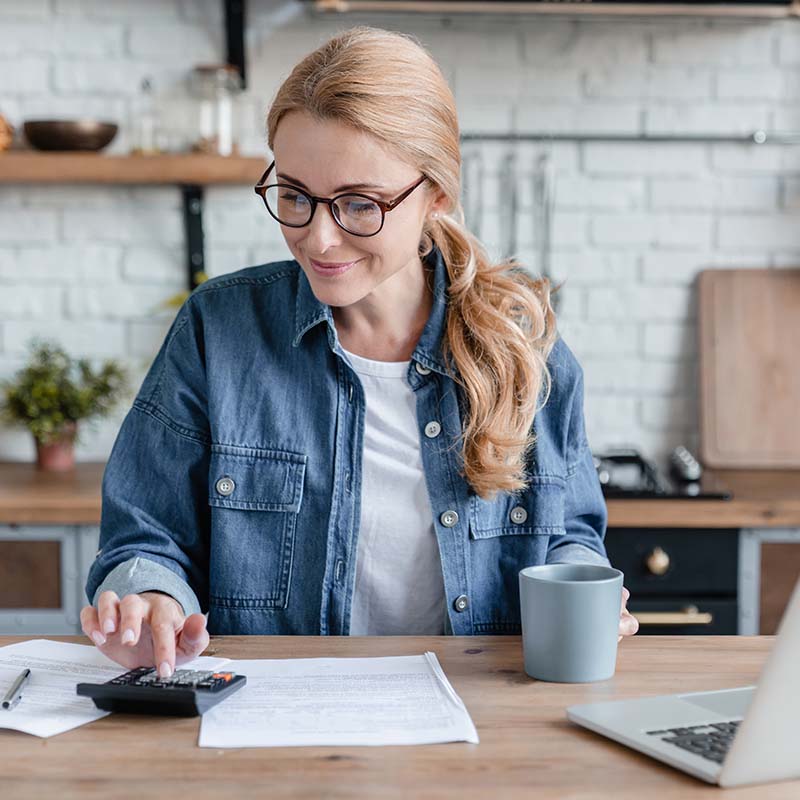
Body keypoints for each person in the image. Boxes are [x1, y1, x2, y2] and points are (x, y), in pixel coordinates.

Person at [80, 26, 638, 680]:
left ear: (436, 194)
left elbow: (570, 533)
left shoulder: (524, 344)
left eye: (358, 205)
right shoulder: (218, 329)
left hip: (478, 720)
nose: (318, 237)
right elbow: (146, 535)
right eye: (293, 196)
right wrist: (150, 600)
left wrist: (589, 588)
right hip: (271, 716)